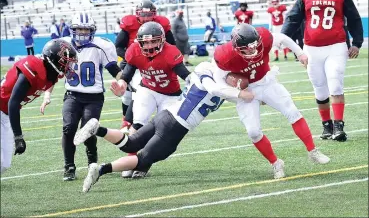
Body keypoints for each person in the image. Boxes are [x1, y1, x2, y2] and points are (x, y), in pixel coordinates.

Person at [74, 61, 253, 192]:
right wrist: (240, 92)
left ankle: (97, 129)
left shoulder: (218, 82)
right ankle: (101, 169)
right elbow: (216, 90)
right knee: (143, 159)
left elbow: (227, 93)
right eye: (234, 78)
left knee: (131, 143)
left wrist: (255, 97)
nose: (234, 81)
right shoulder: (210, 76)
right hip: (176, 126)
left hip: (166, 115)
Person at [214, 24, 330, 179]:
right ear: (236, 47)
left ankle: (312, 151)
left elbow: (283, 38)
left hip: (266, 82)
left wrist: (300, 53)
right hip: (246, 91)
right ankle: (276, 163)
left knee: (292, 112)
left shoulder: (265, 38)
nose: (253, 50)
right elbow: (218, 84)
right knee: (253, 132)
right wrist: (239, 93)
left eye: (254, 45)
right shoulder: (225, 55)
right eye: (247, 48)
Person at [281, 0, 364, 142]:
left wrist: (357, 42)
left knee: (335, 83)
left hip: (336, 46)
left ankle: (338, 126)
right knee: (319, 88)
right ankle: (327, 126)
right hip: (311, 48)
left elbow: (354, 19)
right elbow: (293, 19)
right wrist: (282, 39)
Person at [48, 12, 121, 181]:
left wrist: (124, 84)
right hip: (72, 94)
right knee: (68, 128)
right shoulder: (63, 45)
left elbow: (114, 69)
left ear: (92, 30)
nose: (82, 33)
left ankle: (92, 159)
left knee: (88, 131)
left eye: (86, 29)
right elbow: (52, 72)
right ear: (72, 29)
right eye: (79, 29)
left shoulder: (101, 45)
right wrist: (47, 95)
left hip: (94, 96)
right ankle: (69, 166)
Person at [112, 21, 191, 178]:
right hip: (147, 89)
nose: (149, 46)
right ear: (139, 42)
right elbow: (127, 73)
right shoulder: (134, 50)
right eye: (145, 42)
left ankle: (144, 164)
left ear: (162, 40)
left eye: (153, 41)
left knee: (162, 134)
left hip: (171, 95)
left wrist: (196, 82)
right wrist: (122, 84)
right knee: (138, 122)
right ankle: (130, 159)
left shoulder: (170, 52)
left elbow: (184, 74)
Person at [0, 39, 77, 173]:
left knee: (4, 164)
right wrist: (18, 136)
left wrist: (47, 96)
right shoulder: (33, 67)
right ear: (53, 59)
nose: (68, 65)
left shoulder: (51, 74)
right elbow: (13, 101)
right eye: (65, 61)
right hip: (3, 107)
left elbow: (50, 82)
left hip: (5, 114)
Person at [115, 0, 176, 133]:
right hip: (134, 62)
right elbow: (118, 46)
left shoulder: (162, 25)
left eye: (149, 15)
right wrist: (132, 57)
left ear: (154, 15)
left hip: (154, 64)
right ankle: (127, 121)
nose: (146, 18)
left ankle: (130, 123)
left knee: (139, 91)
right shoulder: (129, 25)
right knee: (127, 95)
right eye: (143, 15)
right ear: (137, 14)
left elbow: (172, 45)